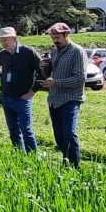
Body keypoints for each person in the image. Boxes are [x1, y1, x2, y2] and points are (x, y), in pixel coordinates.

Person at [0, 26, 44, 152]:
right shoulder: (2, 55)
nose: (3, 43)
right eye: (1, 40)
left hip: (22, 98)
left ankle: (33, 157)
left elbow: (42, 71)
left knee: (26, 129)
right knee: (13, 129)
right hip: (7, 97)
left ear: (14, 39)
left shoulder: (28, 52)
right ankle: (19, 154)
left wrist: (32, 92)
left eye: (6, 40)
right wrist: (0, 77)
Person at [40, 22, 86, 167]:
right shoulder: (55, 52)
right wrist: (45, 68)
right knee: (59, 137)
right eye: (53, 38)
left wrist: (56, 83)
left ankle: (75, 167)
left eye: (57, 37)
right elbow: (51, 75)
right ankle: (66, 162)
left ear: (67, 35)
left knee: (69, 134)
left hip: (70, 99)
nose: (55, 40)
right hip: (54, 99)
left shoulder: (77, 51)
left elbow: (80, 79)